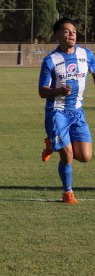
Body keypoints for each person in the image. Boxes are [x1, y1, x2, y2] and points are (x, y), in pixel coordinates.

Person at [38, 17, 94, 205]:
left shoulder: (87, 55)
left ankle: (52, 143)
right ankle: (67, 193)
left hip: (77, 112)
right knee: (68, 154)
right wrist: (58, 91)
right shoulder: (50, 61)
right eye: (66, 31)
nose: (71, 35)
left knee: (86, 156)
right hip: (57, 113)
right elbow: (41, 91)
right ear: (57, 35)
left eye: (74, 32)